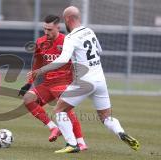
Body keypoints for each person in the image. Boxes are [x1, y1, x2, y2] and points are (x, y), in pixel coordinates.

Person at [29, 6, 140, 153]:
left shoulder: (70, 37)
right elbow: (99, 50)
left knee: (59, 110)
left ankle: (72, 144)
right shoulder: (89, 31)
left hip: (84, 81)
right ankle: (121, 132)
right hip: (100, 79)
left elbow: (63, 59)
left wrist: (41, 70)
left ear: (68, 19)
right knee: (106, 117)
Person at [19, 14, 87, 151]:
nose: (46, 32)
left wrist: (77, 81)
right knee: (28, 99)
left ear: (58, 27)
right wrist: (29, 82)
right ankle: (54, 128)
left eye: (50, 29)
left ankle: (81, 142)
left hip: (64, 82)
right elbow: (37, 63)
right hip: (48, 83)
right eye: (45, 29)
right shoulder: (40, 42)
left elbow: (78, 62)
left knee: (66, 110)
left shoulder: (67, 41)